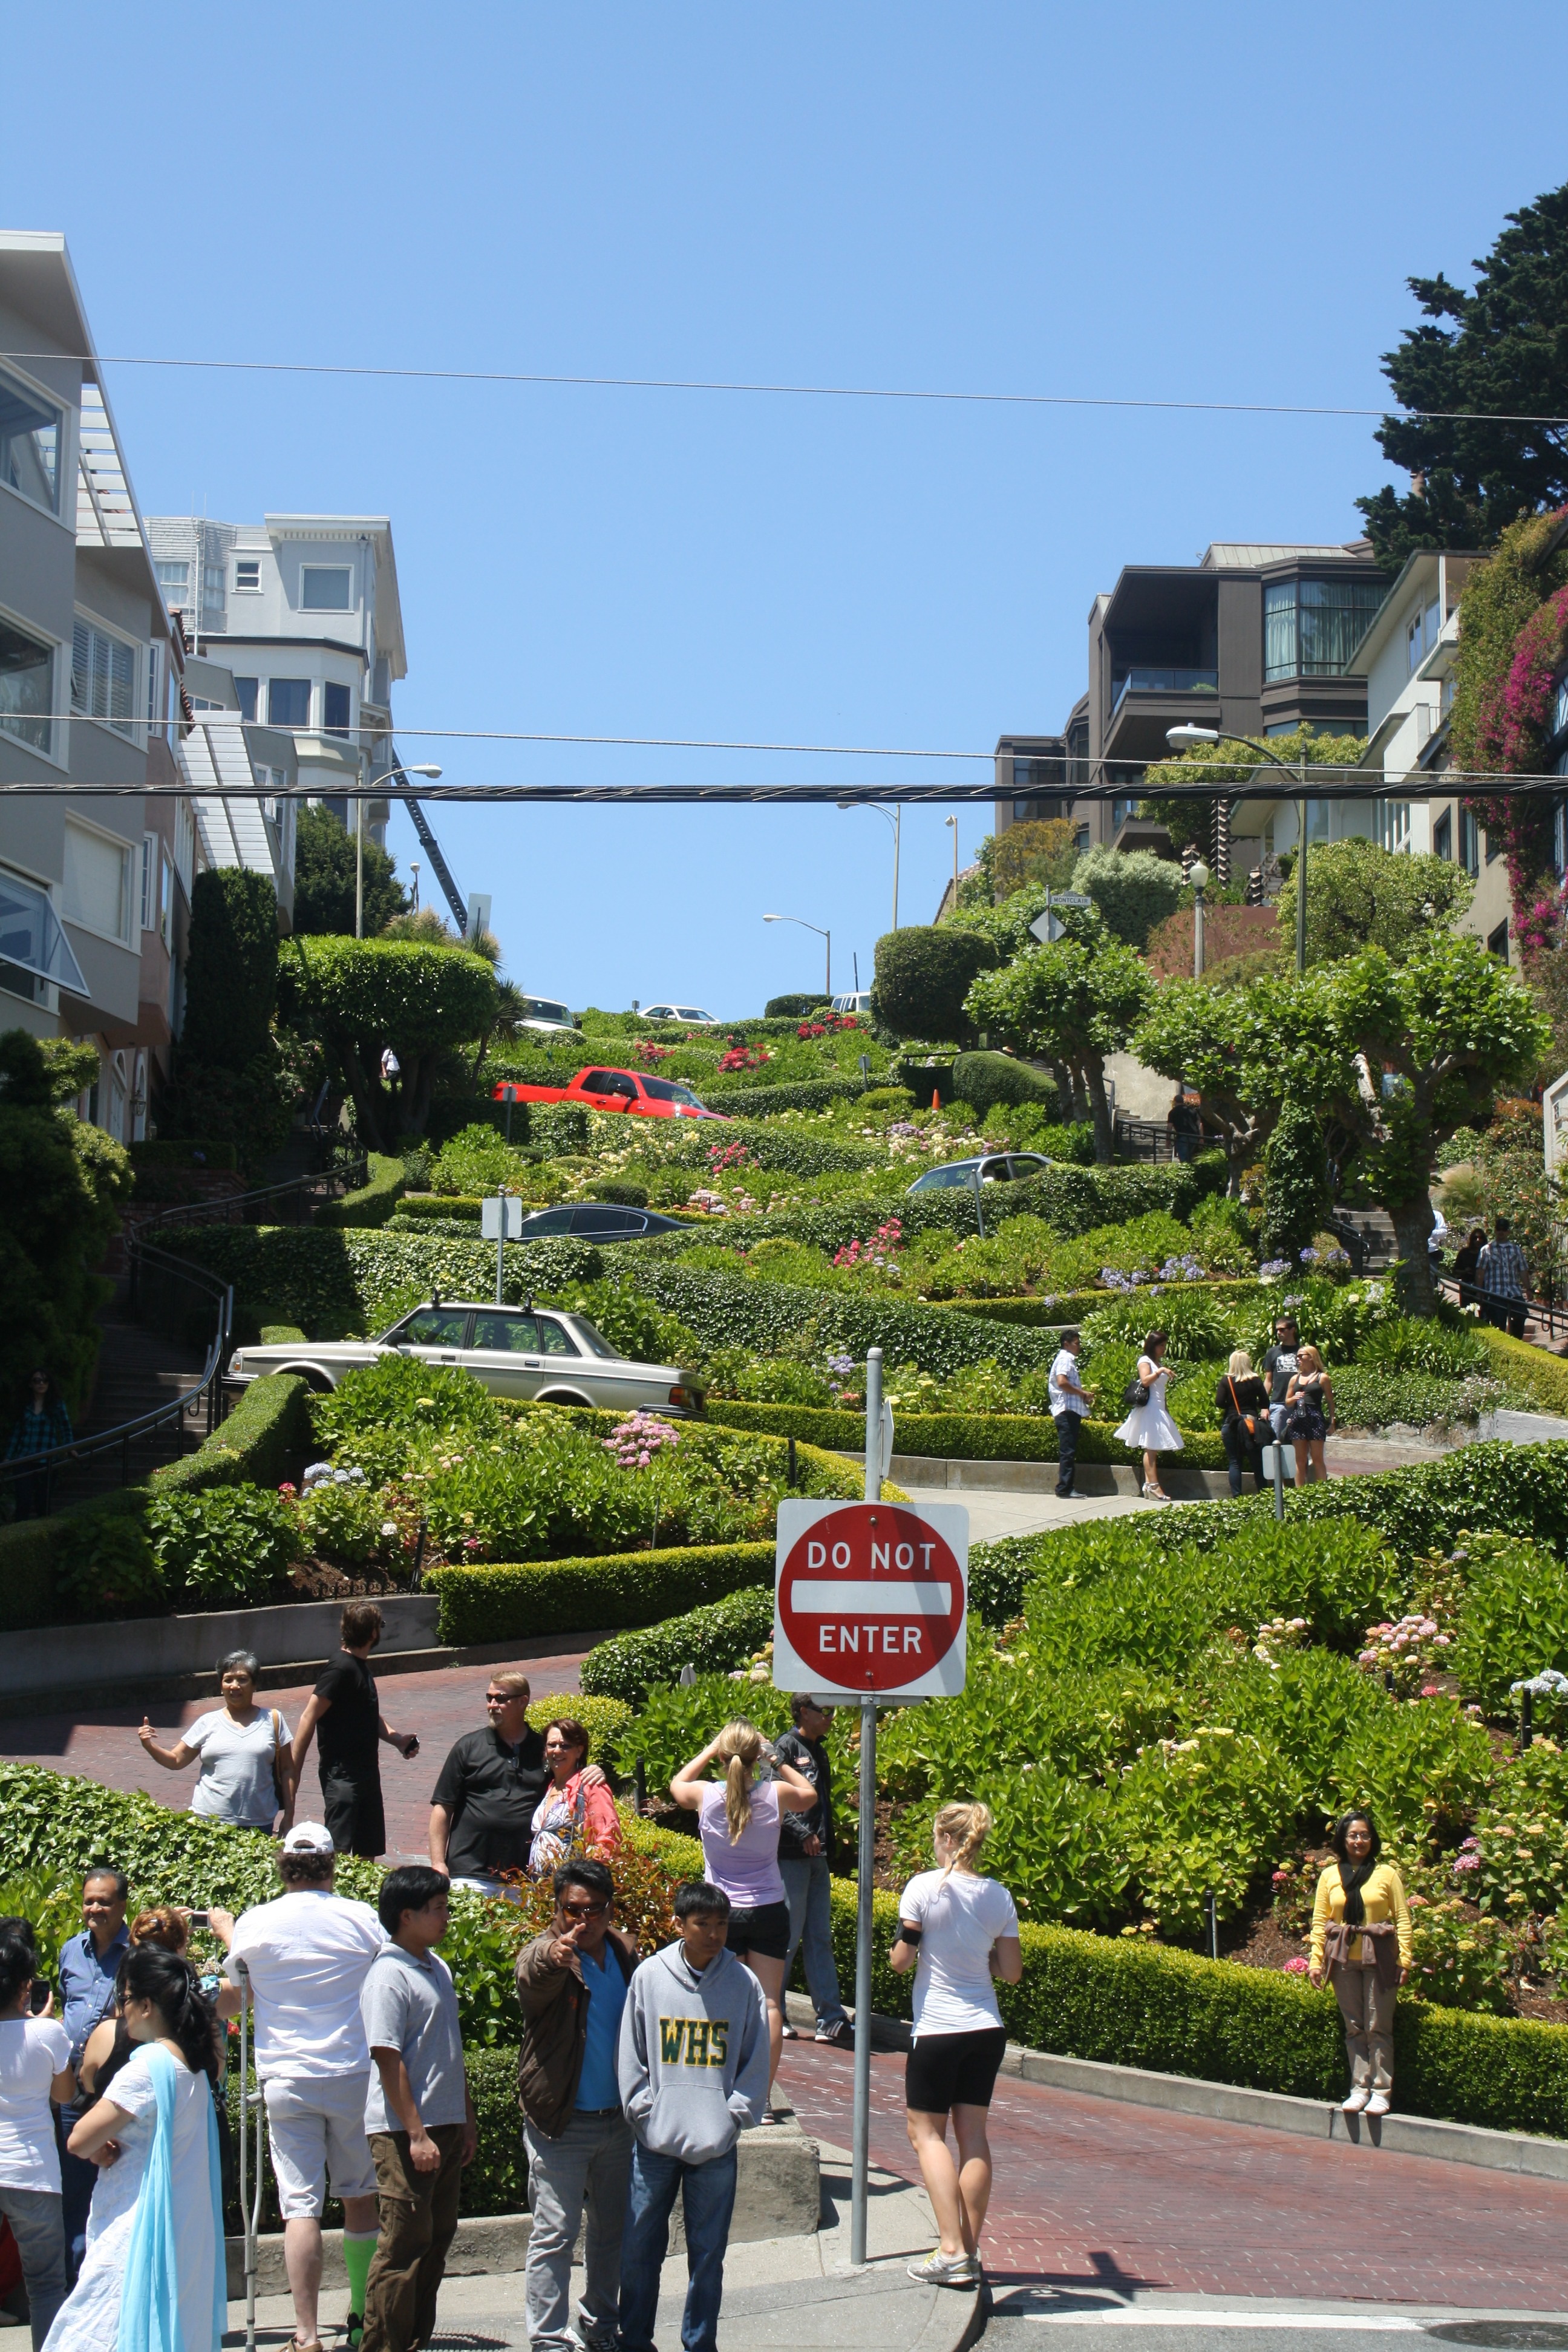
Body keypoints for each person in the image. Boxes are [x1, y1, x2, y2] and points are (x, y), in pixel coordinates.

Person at [207, 1822, 385, 2352]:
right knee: (360, 2198)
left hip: (286, 2075)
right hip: (352, 2071)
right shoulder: (359, 1918)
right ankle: (359, 2315)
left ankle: (306, 2335)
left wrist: (226, 1932)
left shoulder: (257, 1922)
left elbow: (238, 1995)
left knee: (300, 2206)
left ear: (284, 1864)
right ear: (331, 1864)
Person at [43, 1945, 224, 2352]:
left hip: (133, 2224)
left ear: (146, 2005)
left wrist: (95, 2149)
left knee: (91, 2331)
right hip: (175, 2225)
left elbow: (78, 2139)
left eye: (123, 1999)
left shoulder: (145, 2068)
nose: (119, 2009)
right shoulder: (192, 2067)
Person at [616, 1882, 769, 2352]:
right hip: (655, 2143)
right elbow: (632, 2052)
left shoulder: (744, 1984)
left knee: (708, 2256)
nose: (715, 1934)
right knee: (640, 2251)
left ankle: (700, 2342)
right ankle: (635, 2340)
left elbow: (755, 2056)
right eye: (703, 1924)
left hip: (716, 2148)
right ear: (680, 1925)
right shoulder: (649, 1977)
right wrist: (643, 2111)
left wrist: (734, 2118)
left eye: (722, 1924)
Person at [890, 1802, 1022, 2290]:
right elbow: (1010, 1971)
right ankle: (969, 2248)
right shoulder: (999, 1895)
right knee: (974, 2137)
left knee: (926, 2134)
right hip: (986, 2028)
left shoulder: (925, 1887)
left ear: (944, 1838)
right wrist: (974, 1960)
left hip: (940, 2028)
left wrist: (910, 1947)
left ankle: (950, 2250)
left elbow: (901, 1960)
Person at [514, 1860, 637, 2352]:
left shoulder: (626, 1955)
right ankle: (547, 2338)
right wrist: (552, 1954)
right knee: (556, 2234)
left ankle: (600, 2324)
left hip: (619, 2124)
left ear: (610, 1909)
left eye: (594, 1910)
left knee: (611, 2235)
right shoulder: (548, 1954)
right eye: (572, 1910)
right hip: (560, 2124)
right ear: (558, 1909)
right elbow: (532, 1976)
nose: (582, 1921)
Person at [359, 1867, 476, 2352]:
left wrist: (466, 2119)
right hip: (405, 2134)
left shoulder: (436, 1967)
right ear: (406, 1916)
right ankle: (381, 2343)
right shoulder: (388, 1975)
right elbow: (388, 2058)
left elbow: (450, 2051)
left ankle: (415, 2340)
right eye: (438, 1908)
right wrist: (416, 2134)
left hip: (446, 2129)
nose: (446, 1916)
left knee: (435, 2242)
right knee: (402, 2248)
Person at [668, 1721, 817, 2091]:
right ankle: (761, 2095)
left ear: (723, 1757)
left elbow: (677, 1784)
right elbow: (809, 1794)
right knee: (769, 2005)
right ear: (755, 1759)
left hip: (721, 1915)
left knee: (725, 2000)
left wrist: (709, 1750)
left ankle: (724, 2083)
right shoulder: (776, 1794)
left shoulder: (706, 1795)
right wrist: (776, 1758)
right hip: (768, 1908)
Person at [290, 1602, 420, 1859]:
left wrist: (397, 1739)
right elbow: (309, 1716)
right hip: (343, 1776)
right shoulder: (340, 1668)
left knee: (368, 1850)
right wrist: (293, 1770)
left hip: (367, 1773)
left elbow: (365, 1711)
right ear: (373, 1634)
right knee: (337, 1851)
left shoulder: (358, 1667)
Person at [1308, 1811, 1412, 2119]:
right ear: (1343, 1838)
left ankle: (1381, 2091)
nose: (1359, 1841)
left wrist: (1404, 1958)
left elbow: (1403, 1918)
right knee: (1354, 2028)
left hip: (1379, 1958)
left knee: (1378, 2027)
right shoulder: (1330, 1876)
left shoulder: (1386, 1874)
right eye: (1353, 1835)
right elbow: (1319, 1921)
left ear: (1372, 1839)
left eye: (1365, 1835)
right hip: (1343, 1961)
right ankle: (1359, 2088)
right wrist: (1316, 1960)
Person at [0, 1924, 74, 2350]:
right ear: (27, 1985)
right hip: (31, 2172)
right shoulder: (47, 2034)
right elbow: (64, 2095)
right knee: (45, 2283)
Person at [54, 1868, 129, 2281]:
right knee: (76, 2194)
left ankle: (112, 2282)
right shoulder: (70, 1952)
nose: (95, 1909)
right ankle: (76, 2287)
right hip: (73, 2091)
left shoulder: (136, 1952)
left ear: (122, 1906)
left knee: (117, 2186)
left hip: (116, 2091)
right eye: (89, 1901)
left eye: (103, 1901)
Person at [137, 1651, 293, 1833]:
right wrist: (149, 1746)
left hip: (259, 1823)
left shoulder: (273, 1719)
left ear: (255, 1685)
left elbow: (287, 1769)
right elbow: (176, 1760)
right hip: (209, 1821)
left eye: (242, 1679)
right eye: (228, 1680)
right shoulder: (208, 1722)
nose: (234, 1686)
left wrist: (289, 1815)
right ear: (221, 1687)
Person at [774, 1699, 852, 2050]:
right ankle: (777, 2012)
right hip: (792, 1856)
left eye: (833, 1711)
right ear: (804, 1712)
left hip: (818, 1858)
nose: (831, 1718)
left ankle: (831, 2019)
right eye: (825, 1712)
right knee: (787, 1939)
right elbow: (771, 1796)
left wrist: (824, 1841)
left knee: (820, 1937)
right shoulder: (785, 1747)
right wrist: (801, 1833)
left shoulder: (818, 1749)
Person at [528, 1719, 622, 1877]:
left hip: (573, 1887)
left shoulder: (591, 1786)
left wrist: (588, 1880)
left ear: (579, 1751)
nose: (557, 1751)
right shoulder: (550, 1786)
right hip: (539, 1890)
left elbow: (608, 1837)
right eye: (551, 1745)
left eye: (564, 1746)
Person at [1112, 1328, 1182, 1503]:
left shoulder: (1157, 1363)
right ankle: (1152, 1485)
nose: (1164, 1349)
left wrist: (1165, 1408)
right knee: (1150, 1448)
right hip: (1150, 1408)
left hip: (1158, 1408)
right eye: (1161, 1346)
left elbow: (1160, 1390)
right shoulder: (1145, 1361)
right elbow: (1145, 1381)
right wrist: (1160, 1371)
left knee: (1153, 1449)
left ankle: (1150, 1485)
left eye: (1165, 1345)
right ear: (1153, 1345)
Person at [4, 1374, 73, 1522]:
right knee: (23, 1501)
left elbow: (65, 1428)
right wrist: (9, 1456)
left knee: (43, 1501)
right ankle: (19, 1537)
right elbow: (17, 1433)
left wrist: (69, 1447)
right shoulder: (25, 1406)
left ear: (49, 1384)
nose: (41, 1383)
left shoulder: (56, 1405)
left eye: (45, 1380)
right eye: (37, 1381)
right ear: (31, 1384)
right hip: (24, 1457)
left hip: (47, 1458)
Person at [1047, 1327, 1094, 1501]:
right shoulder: (1066, 1359)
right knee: (1068, 1451)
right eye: (1076, 1343)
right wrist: (1082, 1393)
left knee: (1068, 1450)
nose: (1079, 1346)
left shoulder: (1066, 1359)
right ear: (1066, 1344)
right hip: (1067, 1411)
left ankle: (1066, 1488)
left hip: (1068, 1411)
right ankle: (1065, 1489)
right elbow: (1062, 1382)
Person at [1216, 1349, 1270, 1498]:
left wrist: (1232, 1406)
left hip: (1232, 1423)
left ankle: (1237, 1496)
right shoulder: (1256, 1380)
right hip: (1251, 1424)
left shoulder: (1226, 1381)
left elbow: (1219, 1402)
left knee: (1235, 1462)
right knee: (1257, 1462)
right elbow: (1265, 1402)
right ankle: (1263, 1494)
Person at [1284, 1344, 1334, 1486]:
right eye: (1297, 1356)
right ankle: (1300, 1492)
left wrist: (1332, 1421)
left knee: (1317, 1458)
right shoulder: (1295, 1379)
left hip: (1315, 1418)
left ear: (1311, 1358)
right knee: (1299, 1459)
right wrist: (1294, 1398)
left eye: (1301, 1356)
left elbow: (1330, 1401)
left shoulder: (1322, 1378)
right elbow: (1287, 1402)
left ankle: (1322, 1491)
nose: (1298, 1359)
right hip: (1298, 1419)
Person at [1478, 1215, 1529, 1339]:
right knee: (1498, 1322)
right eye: (1499, 1229)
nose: (1501, 1232)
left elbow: (1523, 1270)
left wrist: (1528, 1289)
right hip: (1495, 1293)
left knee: (1521, 1315)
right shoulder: (1486, 1250)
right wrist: (1479, 1291)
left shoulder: (1516, 1250)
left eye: (1504, 1229)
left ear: (1508, 1232)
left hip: (1514, 1292)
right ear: (1495, 1230)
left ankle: (1517, 1343)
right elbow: (1480, 1271)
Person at [1261, 1316, 1301, 1450]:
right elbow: (1268, 1381)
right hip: (1278, 1404)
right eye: (1277, 1330)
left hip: (1300, 1403)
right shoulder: (1273, 1352)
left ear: (1293, 1330)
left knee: (1300, 1442)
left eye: (1283, 1330)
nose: (1279, 1333)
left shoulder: (1303, 1352)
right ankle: (1277, 1471)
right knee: (1276, 1443)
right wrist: (1264, 1406)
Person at [1451, 1226, 1486, 1314]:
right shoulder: (1464, 1253)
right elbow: (1456, 1271)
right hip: (1467, 1285)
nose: (1478, 1240)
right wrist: (1465, 1271)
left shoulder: (1487, 1253)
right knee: (1467, 1312)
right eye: (1475, 1238)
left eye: (1481, 1238)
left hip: (1484, 1286)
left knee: (1485, 1314)